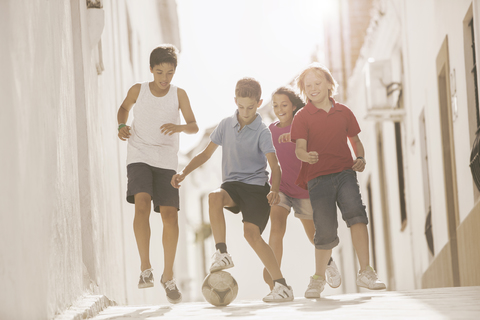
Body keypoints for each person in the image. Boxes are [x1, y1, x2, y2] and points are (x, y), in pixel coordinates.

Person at [171, 78, 294, 302]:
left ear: (259, 103)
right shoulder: (226, 125)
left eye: (251, 107)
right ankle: (222, 252)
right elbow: (205, 154)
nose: (245, 112)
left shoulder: (263, 131)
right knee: (214, 197)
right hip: (233, 186)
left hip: (256, 189)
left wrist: (274, 190)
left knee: (252, 235)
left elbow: (275, 165)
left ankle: (282, 286)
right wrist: (184, 172)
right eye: (241, 106)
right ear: (235, 101)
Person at [290, 63, 386, 298]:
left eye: (318, 83)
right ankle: (318, 279)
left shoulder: (344, 111)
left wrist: (360, 157)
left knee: (357, 214)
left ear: (329, 84)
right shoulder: (302, 117)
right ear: (304, 90)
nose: (313, 88)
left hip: (345, 173)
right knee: (325, 230)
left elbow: (356, 141)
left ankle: (366, 272)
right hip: (318, 179)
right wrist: (307, 156)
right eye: (308, 85)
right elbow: (299, 150)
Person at [117, 44, 198, 304]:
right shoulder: (138, 90)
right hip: (139, 154)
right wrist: (121, 125)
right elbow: (123, 109)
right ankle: (145, 268)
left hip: (166, 160)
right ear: (151, 69)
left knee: (170, 216)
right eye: (160, 72)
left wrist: (179, 126)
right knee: (141, 203)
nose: (165, 78)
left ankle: (168, 275)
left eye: (170, 73)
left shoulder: (179, 94)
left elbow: (194, 126)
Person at [263, 87, 342, 295]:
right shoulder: (269, 132)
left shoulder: (305, 126)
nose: (279, 109)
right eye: (275, 105)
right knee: (276, 228)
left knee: (314, 235)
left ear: (294, 106)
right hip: (280, 188)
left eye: (284, 105)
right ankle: (276, 281)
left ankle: (328, 262)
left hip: (304, 188)